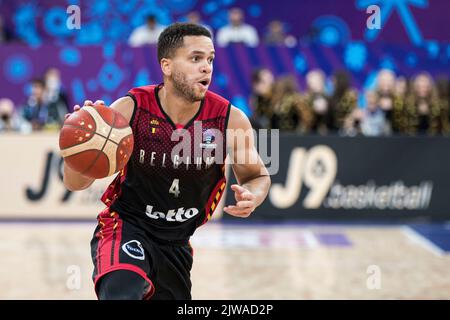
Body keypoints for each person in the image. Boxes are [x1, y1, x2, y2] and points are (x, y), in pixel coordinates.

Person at [62, 23, 271, 300]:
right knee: (122, 291)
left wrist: (252, 196)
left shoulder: (230, 120)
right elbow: (76, 183)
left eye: (210, 59)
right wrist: (77, 150)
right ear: (167, 66)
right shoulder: (130, 109)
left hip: (176, 243)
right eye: (195, 58)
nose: (206, 67)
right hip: (126, 225)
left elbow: (258, 176)